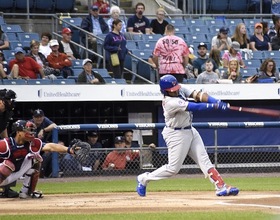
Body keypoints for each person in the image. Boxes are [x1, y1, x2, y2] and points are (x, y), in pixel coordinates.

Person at [136, 74, 239, 197]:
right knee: (173, 169)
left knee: (204, 160)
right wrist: (215, 106)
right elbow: (195, 107)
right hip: (176, 134)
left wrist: (215, 101)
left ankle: (220, 186)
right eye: (172, 91)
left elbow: (199, 95)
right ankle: (144, 178)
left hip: (190, 129)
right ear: (165, 91)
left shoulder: (179, 88)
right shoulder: (170, 102)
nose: (176, 91)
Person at [0, 120, 77, 199]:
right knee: (7, 165)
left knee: (36, 158)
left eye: (31, 130)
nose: (31, 133)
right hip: (3, 173)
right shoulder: (5, 144)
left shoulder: (32, 143)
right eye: (27, 130)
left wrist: (69, 150)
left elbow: (51, 146)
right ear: (18, 132)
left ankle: (26, 192)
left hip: (13, 174)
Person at [0, 89, 17, 198]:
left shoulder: (7, 112)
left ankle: (5, 189)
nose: (11, 102)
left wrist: (8, 143)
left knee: (9, 157)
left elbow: (3, 128)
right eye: (9, 100)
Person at [30, 109, 57, 177]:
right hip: (31, 147)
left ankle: (43, 172)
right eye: (37, 117)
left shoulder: (45, 120)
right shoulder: (29, 124)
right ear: (33, 117)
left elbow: (54, 125)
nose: (39, 119)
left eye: (40, 117)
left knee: (49, 151)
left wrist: (43, 130)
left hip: (42, 146)